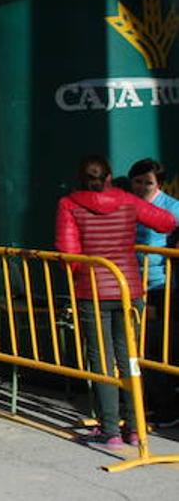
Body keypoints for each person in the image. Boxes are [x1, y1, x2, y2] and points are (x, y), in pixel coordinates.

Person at [56, 156, 177, 449]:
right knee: (129, 358)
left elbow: (67, 253)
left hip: (92, 290)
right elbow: (166, 222)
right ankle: (135, 428)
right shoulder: (126, 199)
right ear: (110, 177)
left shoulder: (69, 204)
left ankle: (110, 431)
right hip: (128, 289)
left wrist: (82, 275)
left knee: (101, 361)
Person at [129, 158, 179, 427]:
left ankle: (167, 409)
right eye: (137, 181)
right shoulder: (127, 204)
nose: (142, 187)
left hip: (163, 287)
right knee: (143, 349)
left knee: (158, 349)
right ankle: (157, 404)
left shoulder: (173, 207)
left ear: (159, 183)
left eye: (147, 182)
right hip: (133, 284)